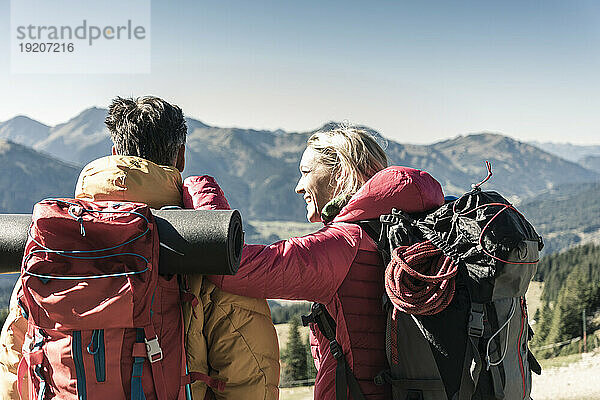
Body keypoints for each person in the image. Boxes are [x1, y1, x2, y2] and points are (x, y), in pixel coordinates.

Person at [0, 96, 280, 400]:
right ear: (181, 157)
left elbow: (16, 364)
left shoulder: (54, 246)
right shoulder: (206, 249)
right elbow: (251, 380)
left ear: (114, 153)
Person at [183, 126, 445, 400]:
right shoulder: (413, 229)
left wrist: (199, 186)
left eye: (306, 172)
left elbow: (235, 267)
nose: (298, 186)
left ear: (341, 172)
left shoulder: (344, 245)